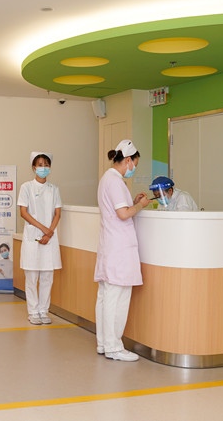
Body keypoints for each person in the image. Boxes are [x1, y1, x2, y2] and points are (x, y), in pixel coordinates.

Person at [95, 139, 151, 362]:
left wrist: (133, 201)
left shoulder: (107, 179)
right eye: (134, 164)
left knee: (106, 297)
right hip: (118, 249)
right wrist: (140, 205)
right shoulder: (115, 182)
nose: (134, 168)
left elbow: (121, 208)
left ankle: (104, 343)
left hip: (111, 247)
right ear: (128, 160)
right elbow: (123, 214)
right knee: (116, 298)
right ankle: (114, 347)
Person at [17, 151, 62, 325]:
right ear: (34, 167)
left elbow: (57, 213)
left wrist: (49, 232)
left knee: (47, 277)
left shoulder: (54, 189)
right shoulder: (26, 187)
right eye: (40, 165)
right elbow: (23, 212)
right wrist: (44, 230)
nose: (43, 168)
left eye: (46, 165)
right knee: (32, 276)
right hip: (33, 236)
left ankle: (43, 311)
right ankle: (33, 311)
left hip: (49, 238)